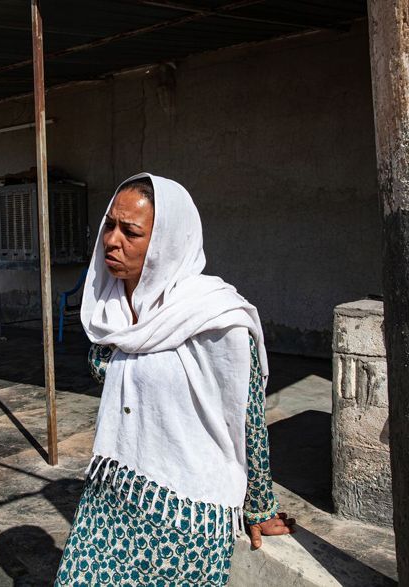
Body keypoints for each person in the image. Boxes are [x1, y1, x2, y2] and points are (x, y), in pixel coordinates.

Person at [55, 173, 295, 586]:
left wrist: (258, 507)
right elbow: (103, 364)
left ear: (167, 242)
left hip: (183, 511)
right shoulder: (110, 306)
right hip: (112, 494)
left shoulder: (216, 318)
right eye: (110, 225)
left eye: (131, 232)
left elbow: (247, 418)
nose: (112, 240)